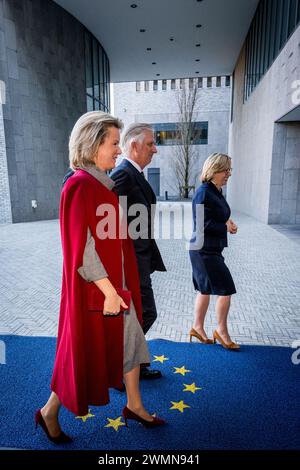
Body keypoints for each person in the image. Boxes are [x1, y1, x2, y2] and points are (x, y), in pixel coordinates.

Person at [35, 111, 165, 444]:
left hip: (118, 289)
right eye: (113, 143)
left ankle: (134, 404)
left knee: (134, 343)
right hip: (102, 293)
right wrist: (109, 291)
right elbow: (83, 250)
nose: (118, 151)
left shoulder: (99, 183)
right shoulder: (80, 185)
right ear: (93, 145)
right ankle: (50, 411)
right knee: (82, 357)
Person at [111, 124, 166, 380]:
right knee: (146, 313)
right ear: (134, 146)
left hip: (140, 259)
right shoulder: (123, 175)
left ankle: (133, 364)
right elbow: (109, 223)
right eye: (150, 144)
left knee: (138, 316)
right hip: (131, 262)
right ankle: (121, 363)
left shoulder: (136, 175)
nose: (155, 149)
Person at [189, 153, 240, 350]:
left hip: (211, 248)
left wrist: (228, 222)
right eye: (225, 170)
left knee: (205, 289)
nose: (228, 174)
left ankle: (197, 328)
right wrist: (224, 227)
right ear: (214, 170)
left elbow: (217, 216)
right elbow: (202, 224)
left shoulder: (216, 191)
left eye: (229, 170)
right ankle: (221, 331)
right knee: (226, 289)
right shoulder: (203, 192)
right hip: (203, 250)